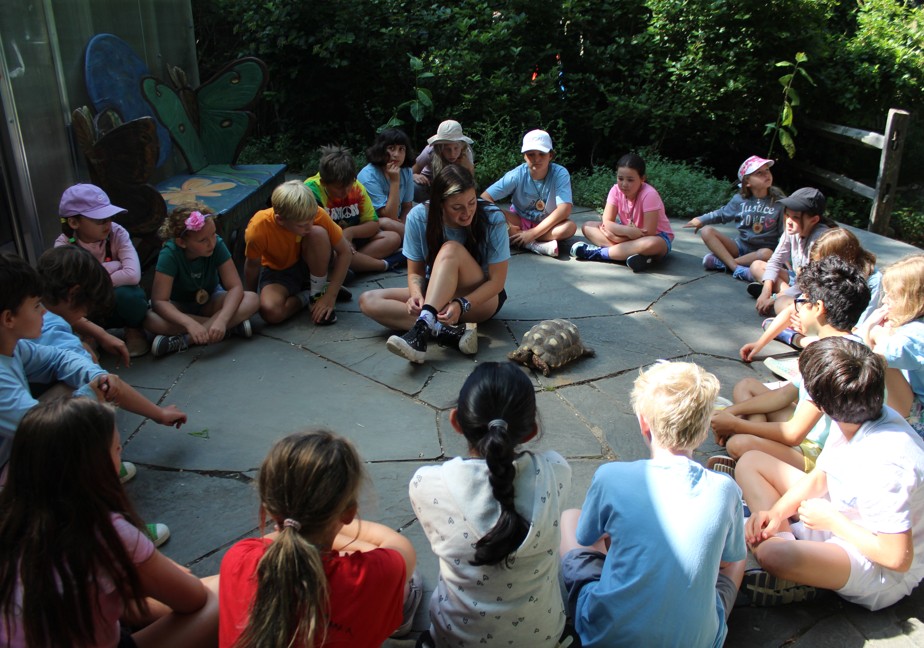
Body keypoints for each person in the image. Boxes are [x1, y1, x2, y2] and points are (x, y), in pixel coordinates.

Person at [0, 397, 218, 647]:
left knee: (124, 594)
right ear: (95, 466)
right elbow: (193, 598)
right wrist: (160, 570)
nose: (120, 454)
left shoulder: (11, 517)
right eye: (116, 448)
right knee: (223, 594)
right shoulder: (102, 531)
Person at [559, 361, 746, 647]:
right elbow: (726, 560)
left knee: (571, 518)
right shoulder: (726, 489)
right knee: (738, 558)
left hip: (606, 636)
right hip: (698, 641)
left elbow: (587, 537)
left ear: (644, 422)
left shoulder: (611, 477)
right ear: (704, 429)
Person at [739, 337, 924, 610]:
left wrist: (834, 522)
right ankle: (795, 555)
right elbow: (821, 476)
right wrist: (776, 513)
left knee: (773, 554)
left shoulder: (888, 463)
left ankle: (799, 567)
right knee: (750, 462)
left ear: (820, 405)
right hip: (837, 513)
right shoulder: (857, 411)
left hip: (875, 565)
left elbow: (897, 558)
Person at [409, 362, 571, 647]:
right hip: (543, 639)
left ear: (456, 421)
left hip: (455, 640)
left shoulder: (427, 484)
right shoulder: (555, 472)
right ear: (531, 432)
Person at [219, 430, 419, 648]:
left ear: (268, 507)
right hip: (346, 545)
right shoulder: (374, 575)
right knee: (406, 583)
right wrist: (331, 525)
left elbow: (286, 539)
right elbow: (397, 544)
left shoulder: (238, 558)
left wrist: (304, 524)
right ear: (350, 513)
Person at [0, 253, 185, 476]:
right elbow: (38, 431)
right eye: (36, 306)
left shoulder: (16, 347)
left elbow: (59, 358)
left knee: (82, 382)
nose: (44, 311)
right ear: (8, 319)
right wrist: (90, 393)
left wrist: (96, 377)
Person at [711, 257, 870, 474]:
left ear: (818, 308)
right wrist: (731, 412)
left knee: (738, 444)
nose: (795, 310)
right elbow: (784, 395)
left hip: (820, 455)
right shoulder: (832, 345)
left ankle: (753, 449)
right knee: (746, 386)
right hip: (809, 432)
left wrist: (735, 424)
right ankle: (754, 437)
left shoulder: (835, 360)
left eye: (801, 302)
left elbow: (794, 433)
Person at [358, 165, 510, 364]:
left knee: (450, 249)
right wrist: (416, 295)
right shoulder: (418, 217)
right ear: (440, 204)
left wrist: (461, 304)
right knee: (368, 300)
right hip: (437, 293)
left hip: (479, 298)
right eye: (457, 207)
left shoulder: (493, 218)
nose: (467, 212)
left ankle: (421, 331)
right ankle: (449, 333)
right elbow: (415, 273)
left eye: (472, 202)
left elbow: (497, 282)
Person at [740, 228, 880, 363]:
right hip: (823, 324)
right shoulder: (826, 276)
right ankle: (802, 337)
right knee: (781, 308)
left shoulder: (870, 281)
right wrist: (759, 344)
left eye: (821, 262)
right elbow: (795, 308)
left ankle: (801, 340)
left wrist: (813, 324)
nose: (818, 267)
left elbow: (860, 329)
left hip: (846, 336)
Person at [143, 204, 259, 357]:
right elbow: (159, 301)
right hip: (179, 306)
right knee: (149, 319)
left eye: (213, 234)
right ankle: (232, 327)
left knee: (252, 299)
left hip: (210, 300)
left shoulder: (216, 244)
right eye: (203, 240)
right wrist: (189, 323)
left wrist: (222, 320)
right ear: (182, 242)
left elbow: (235, 286)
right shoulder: (170, 254)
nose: (211, 242)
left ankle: (185, 340)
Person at [54, 183, 150, 357]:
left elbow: (132, 275)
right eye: (99, 220)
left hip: (114, 301)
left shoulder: (117, 233)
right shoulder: (63, 246)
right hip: (87, 308)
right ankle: (88, 335)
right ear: (74, 222)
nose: (108, 224)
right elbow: (73, 288)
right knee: (71, 300)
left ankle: (133, 329)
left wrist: (91, 279)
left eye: (110, 217)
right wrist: (115, 266)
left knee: (131, 295)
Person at [243, 180, 352, 326]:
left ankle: (317, 294)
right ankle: (307, 295)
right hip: (279, 271)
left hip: (312, 261)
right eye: (302, 225)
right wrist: (250, 303)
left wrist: (330, 296)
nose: (309, 226)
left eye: (311, 220)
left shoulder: (316, 213)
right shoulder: (258, 227)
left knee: (317, 233)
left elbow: (345, 252)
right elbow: (252, 265)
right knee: (270, 311)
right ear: (280, 220)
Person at [684, 155, 785, 282]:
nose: (766, 174)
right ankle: (737, 269)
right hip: (740, 247)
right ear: (747, 182)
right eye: (759, 173)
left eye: (767, 170)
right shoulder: (740, 200)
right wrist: (701, 219)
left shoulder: (780, 203)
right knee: (707, 231)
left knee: (766, 253)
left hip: (762, 253)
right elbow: (722, 214)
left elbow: (785, 233)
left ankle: (725, 263)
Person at [306, 145, 404, 273]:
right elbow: (314, 233)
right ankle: (383, 264)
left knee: (393, 238)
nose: (346, 192)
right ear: (324, 183)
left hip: (353, 242)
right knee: (331, 253)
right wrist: (342, 241)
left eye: (349, 185)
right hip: (329, 245)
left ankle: (348, 266)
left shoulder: (356, 187)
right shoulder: (311, 191)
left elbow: (373, 223)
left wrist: (350, 233)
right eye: (339, 188)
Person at [570, 153, 674, 272]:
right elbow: (607, 221)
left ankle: (599, 253)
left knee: (653, 243)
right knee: (588, 226)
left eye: (630, 180)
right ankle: (630, 255)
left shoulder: (649, 194)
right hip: (627, 232)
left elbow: (649, 232)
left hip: (654, 237)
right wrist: (625, 232)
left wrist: (617, 238)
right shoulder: (615, 190)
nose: (624, 184)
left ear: (642, 179)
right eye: (620, 179)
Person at [856, 254, 924, 437]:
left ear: (912, 300)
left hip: (920, 423)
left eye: (892, 296)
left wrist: (870, 330)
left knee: (877, 360)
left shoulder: (912, 336)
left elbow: (870, 356)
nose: (885, 301)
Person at [481, 129, 576, 257]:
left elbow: (564, 209)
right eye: (531, 154)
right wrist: (509, 226)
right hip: (519, 220)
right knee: (488, 214)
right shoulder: (516, 175)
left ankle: (521, 239)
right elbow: (485, 198)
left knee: (569, 228)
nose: (537, 159)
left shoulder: (560, 173)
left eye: (542, 154)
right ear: (524, 156)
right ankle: (533, 244)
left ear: (550, 155)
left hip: (548, 223)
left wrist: (533, 233)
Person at [747, 187, 834, 316]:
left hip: (812, 290)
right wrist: (766, 291)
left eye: (795, 217)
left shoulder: (821, 240)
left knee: (781, 305)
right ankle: (783, 294)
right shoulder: (792, 230)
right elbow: (775, 261)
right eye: (787, 215)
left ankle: (784, 300)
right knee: (756, 266)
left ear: (814, 220)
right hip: (797, 280)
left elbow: (811, 283)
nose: (788, 221)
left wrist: (774, 298)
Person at [357, 127, 416, 238]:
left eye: (401, 149)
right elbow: (389, 216)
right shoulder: (368, 176)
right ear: (381, 149)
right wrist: (395, 181)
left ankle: (410, 237)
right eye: (391, 148)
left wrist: (403, 226)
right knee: (387, 223)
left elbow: (407, 206)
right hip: (373, 225)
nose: (396, 154)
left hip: (397, 223)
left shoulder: (406, 171)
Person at [412, 119, 475, 203]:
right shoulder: (430, 151)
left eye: (456, 148)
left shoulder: (466, 153)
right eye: (447, 149)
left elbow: (471, 182)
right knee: (414, 187)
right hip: (429, 186)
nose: (452, 154)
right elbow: (413, 170)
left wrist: (467, 166)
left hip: (452, 189)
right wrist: (414, 175)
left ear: (461, 146)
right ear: (440, 147)